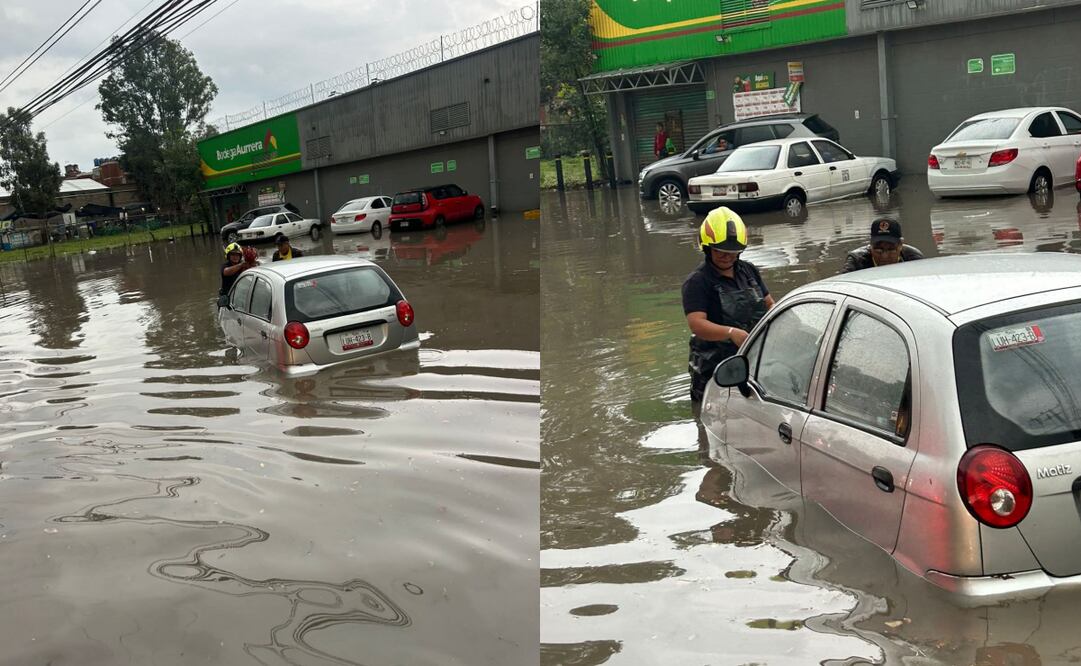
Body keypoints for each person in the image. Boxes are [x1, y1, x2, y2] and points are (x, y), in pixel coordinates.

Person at [682, 207, 775, 403]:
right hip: (714, 368)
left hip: (753, 359)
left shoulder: (748, 272)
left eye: (732, 252)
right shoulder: (698, 282)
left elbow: (769, 305)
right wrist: (731, 333)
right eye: (720, 251)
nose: (727, 257)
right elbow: (697, 324)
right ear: (707, 248)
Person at [841, 218, 924, 273]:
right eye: (878, 250)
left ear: (900, 245)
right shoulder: (857, 261)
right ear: (870, 245)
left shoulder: (913, 259)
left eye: (891, 250)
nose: (884, 256)